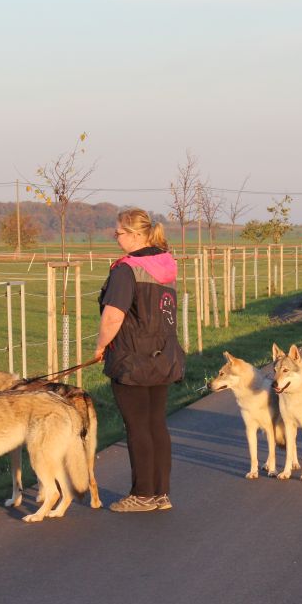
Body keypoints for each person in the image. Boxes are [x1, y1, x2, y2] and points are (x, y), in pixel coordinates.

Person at [94, 208, 186, 512]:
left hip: (131, 358)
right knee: (156, 423)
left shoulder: (126, 270)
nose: (115, 236)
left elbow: (113, 316)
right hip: (163, 356)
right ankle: (161, 493)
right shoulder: (165, 264)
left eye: (118, 232)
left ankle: (142, 494)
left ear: (135, 234)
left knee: (137, 427)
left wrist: (100, 346)